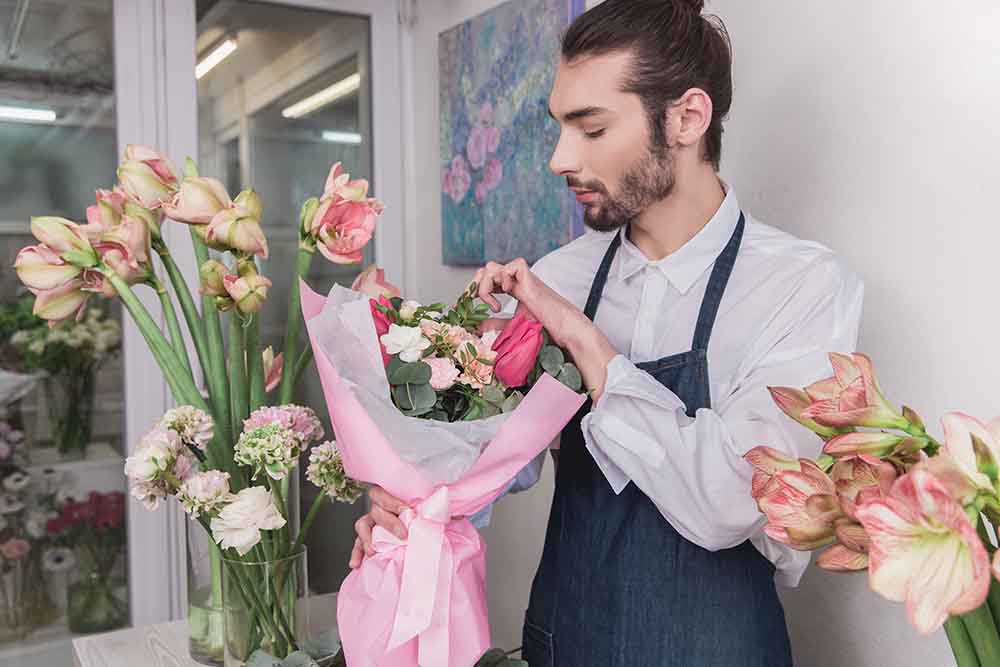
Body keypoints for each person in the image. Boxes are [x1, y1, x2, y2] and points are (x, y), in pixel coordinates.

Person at [351, 0, 864, 664]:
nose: (560, 158)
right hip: (567, 642)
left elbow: (732, 501)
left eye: (591, 129)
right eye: (560, 127)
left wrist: (586, 343)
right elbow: (497, 463)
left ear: (688, 118)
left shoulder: (801, 286)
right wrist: (414, 506)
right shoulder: (560, 273)